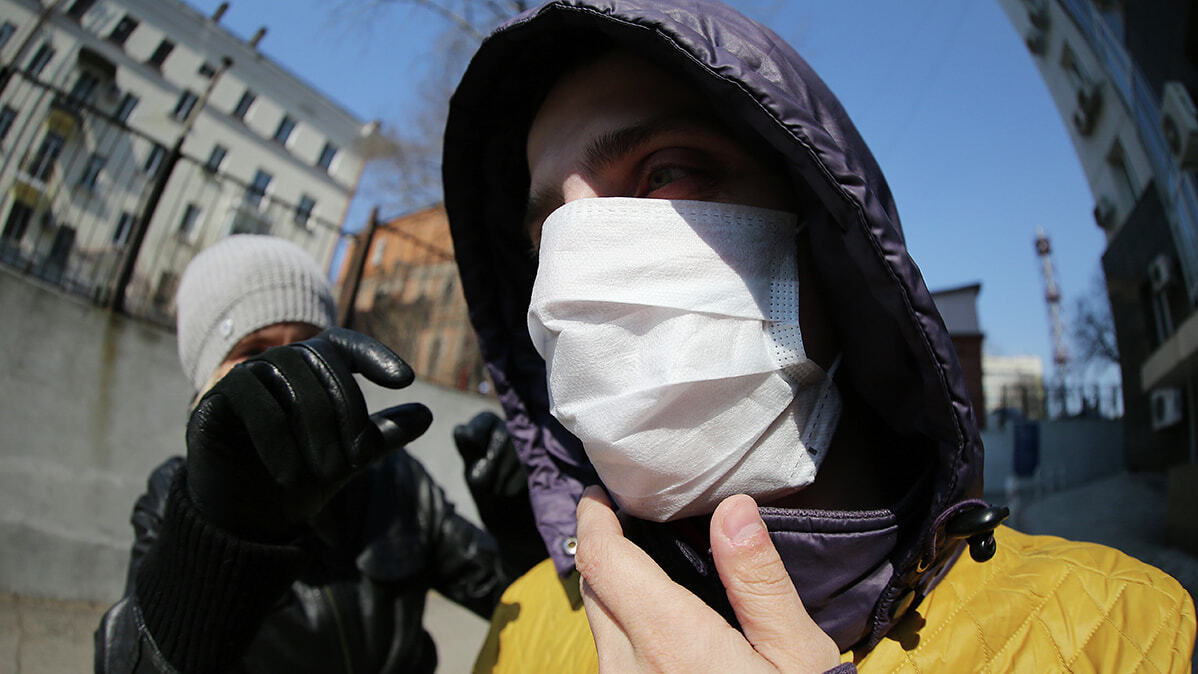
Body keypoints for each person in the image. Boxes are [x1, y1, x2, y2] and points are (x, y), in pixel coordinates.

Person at [439, 1, 1197, 671]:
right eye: (551, 240)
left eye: (665, 176)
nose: (579, 277)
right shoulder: (525, 630)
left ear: (831, 245)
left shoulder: (1117, 633)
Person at [94, 235, 529, 673]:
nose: (287, 375)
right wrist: (221, 540)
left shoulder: (395, 481)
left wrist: (519, 528)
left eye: (305, 348)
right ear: (205, 385)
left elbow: (513, 602)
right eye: (252, 352)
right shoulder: (178, 499)